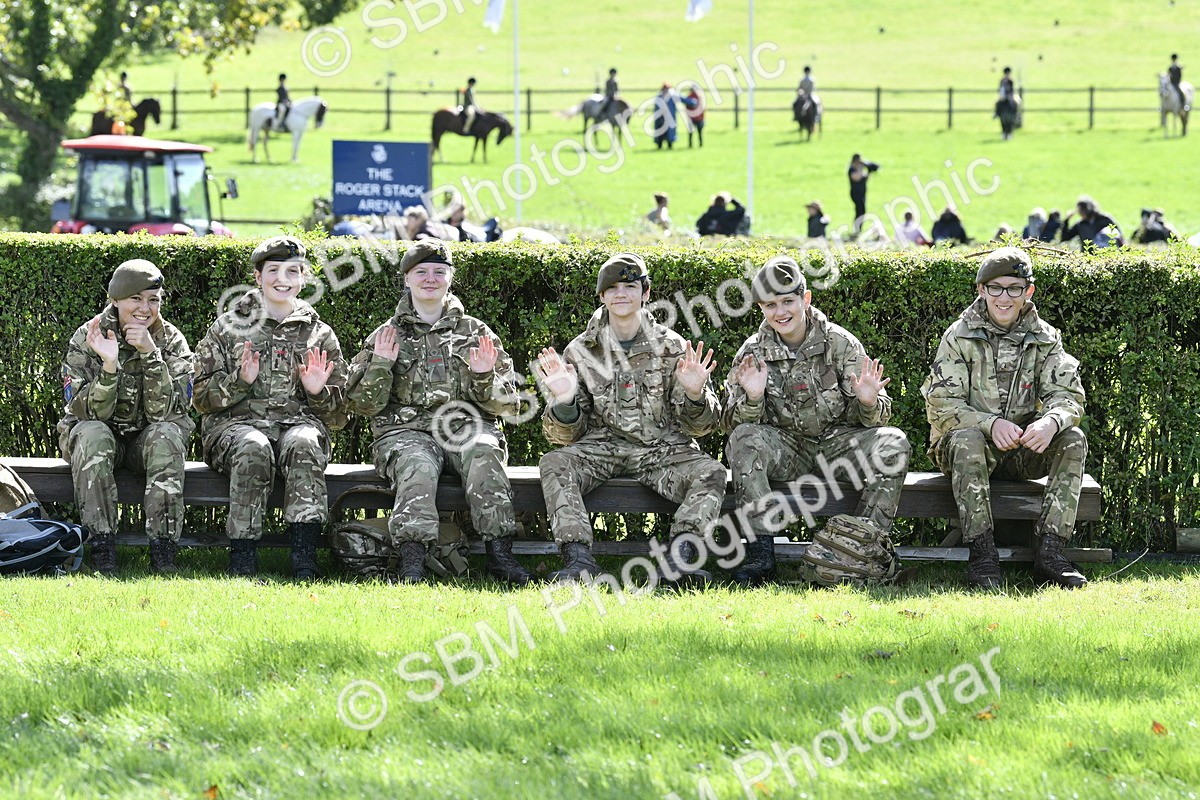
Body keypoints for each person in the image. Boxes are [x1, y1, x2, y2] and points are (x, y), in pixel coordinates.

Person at [344, 240, 531, 585]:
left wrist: (483, 376)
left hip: (466, 427)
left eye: (439, 272)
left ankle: (500, 556)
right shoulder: (386, 335)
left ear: (450, 278)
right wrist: (381, 366)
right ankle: (412, 561)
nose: (430, 279)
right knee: (416, 464)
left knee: (485, 451)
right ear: (407, 280)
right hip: (406, 432)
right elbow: (360, 406)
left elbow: (508, 405)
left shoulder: (476, 333)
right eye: (421, 272)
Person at [535, 253, 725, 586]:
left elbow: (700, 427)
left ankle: (679, 561)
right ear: (602, 296)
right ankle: (578, 560)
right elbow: (564, 436)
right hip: (602, 448)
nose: (621, 294)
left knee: (711, 472)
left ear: (646, 292)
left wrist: (695, 395)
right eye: (613, 288)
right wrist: (565, 401)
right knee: (554, 462)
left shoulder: (671, 346)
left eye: (630, 286)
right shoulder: (581, 350)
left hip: (660, 447)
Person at [723, 256, 911, 585]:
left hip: (838, 446)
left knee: (894, 442)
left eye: (787, 301)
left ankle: (861, 549)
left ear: (805, 299)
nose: (780, 312)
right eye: (770, 305)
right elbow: (729, 422)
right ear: (760, 308)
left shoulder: (840, 343)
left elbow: (878, 415)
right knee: (744, 438)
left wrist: (868, 402)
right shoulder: (753, 352)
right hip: (788, 448)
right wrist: (753, 398)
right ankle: (760, 555)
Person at [921, 247, 1088, 590]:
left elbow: (1068, 395)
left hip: (1020, 452)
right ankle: (983, 557)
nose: (1004, 297)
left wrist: (1051, 421)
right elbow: (941, 403)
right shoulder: (958, 336)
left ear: (1029, 291)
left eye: (1014, 288)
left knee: (1073, 439)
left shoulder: (1046, 338)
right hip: (966, 450)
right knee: (967, 439)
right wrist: (990, 424)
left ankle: (1051, 554)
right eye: (995, 287)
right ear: (981, 290)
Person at [193, 236, 347, 578]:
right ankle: (243, 558)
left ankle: (304, 556)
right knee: (254, 445)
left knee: (306, 441)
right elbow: (200, 398)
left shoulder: (319, 335)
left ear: (304, 277)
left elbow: (338, 417)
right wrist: (240, 382)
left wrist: (317, 392)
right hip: (234, 430)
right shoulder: (228, 328)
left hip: (297, 426)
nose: (283, 278)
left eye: (293, 271)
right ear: (257, 276)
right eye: (274, 270)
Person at [58, 259, 194, 575]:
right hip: (100, 437)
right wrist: (108, 365)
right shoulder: (88, 337)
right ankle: (102, 548)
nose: (145, 308)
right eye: (136, 298)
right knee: (92, 433)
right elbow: (87, 411)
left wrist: (150, 354)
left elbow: (167, 413)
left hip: (145, 442)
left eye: (153, 299)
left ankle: (164, 553)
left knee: (167, 436)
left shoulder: (171, 341)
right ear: (116, 299)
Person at [848, 154, 879, 233]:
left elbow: (865, 178)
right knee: (859, 210)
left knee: (862, 211)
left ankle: (858, 229)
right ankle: (857, 229)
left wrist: (869, 170)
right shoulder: (852, 169)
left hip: (862, 194)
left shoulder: (860, 170)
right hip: (856, 193)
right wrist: (860, 168)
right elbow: (856, 178)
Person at [653, 83, 679, 150]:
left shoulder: (672, 97)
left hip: (669, 119)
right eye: (664, 89)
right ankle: (659, 146)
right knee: (660, 134)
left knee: (669, 134)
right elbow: (656, 108)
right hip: (660, 119)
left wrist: (693, 103)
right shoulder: (659, 97)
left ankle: (670, 146)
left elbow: (683, 99)